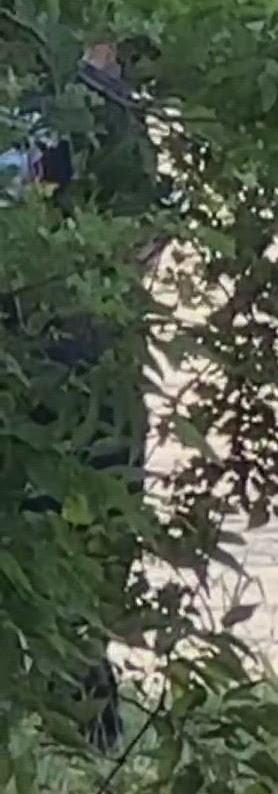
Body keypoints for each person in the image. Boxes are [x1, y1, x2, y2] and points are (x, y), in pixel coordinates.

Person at [4, 42, 162, 751]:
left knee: (81, 561)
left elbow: (146, 238)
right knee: (82, 559)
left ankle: (81, 739)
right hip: (71, 371)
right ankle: (75, 735)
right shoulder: (102, 107)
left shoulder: (96, 107)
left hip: (76, 375)